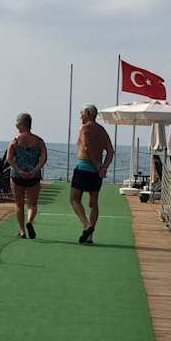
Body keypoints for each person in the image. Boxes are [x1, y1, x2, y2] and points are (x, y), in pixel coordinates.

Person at [70, 104, 115, 244]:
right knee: (93, 203)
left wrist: (97, 165)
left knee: (74, 199)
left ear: (88, 114)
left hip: (84, 168)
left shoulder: (85, 128)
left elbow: (86, 147)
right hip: (97, 172)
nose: (80, 116)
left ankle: (86, 225)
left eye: (82, 113)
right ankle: (89, 237)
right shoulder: (102, 130)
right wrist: (103, 167)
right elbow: (110, 151)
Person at [5, 112, 47, 239]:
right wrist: (35, 170)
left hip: (17, 176)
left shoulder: (14, 141)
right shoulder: (39, 141)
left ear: (22, 125)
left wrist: (19, 170)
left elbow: (9, 159)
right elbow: (44, 158)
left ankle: (22, 231)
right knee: (32, 204)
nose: (16, 126)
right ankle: (29, 221)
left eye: (17, 124)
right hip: (33, 176)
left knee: (19, 204)